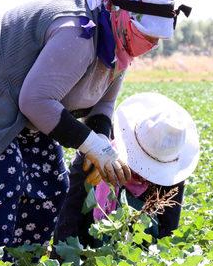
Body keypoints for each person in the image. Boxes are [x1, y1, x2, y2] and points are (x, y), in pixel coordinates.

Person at [0, 0, 192, 254]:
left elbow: (103, 104)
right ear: (122, 16)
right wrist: (92, 145)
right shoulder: (78, 33)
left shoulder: (118, 44)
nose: (154, 43)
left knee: (51, 185)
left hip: (31, 99)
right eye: (148, 34)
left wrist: (99, 147)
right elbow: (35, 102)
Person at [52, 92, 200, 249]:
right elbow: (70, 216)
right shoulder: (96, 154)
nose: (144, 174)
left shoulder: (172, 173)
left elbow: (168, 230)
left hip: (138, 254)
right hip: (90, 247)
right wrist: (66, 265)